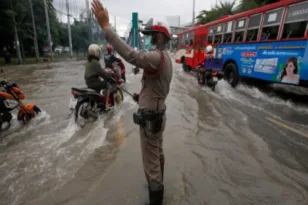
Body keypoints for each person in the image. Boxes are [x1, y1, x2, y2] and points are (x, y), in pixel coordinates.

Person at [91, 1, 173, 204]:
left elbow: (131, 55)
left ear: (160, 37)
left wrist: (107, 29)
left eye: (150, 36)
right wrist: (141, 96)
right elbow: (155, 88)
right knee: (158, 155)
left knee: (151, 162)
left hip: (151, 120)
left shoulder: (156, 57)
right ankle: (158, 186)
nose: (147, 40)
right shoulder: (166, 58)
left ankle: (156, 196)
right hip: (159, 114)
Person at [84, 44, 113, 110]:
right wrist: (110, 74)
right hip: (94, 83)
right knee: (108, 85)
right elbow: (103, 74)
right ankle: (107, 105)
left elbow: (97, 71)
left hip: (88, 83)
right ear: (96, 52)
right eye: (98, 52)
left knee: (100, 83)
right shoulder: (95, 62)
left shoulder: (88, 61)